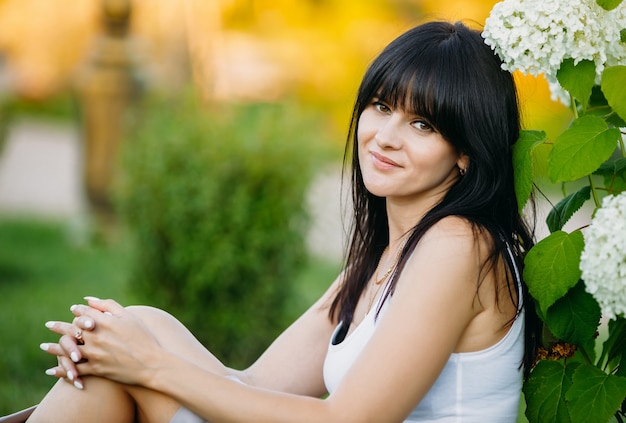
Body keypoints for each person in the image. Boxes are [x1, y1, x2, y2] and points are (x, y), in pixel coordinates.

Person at [30, 20, 539, 423]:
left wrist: (147, 366)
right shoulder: (389, 256)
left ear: (466, 153)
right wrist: (125, 351)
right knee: (134, 325)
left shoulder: (460, 246)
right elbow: (254, 387)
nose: (385, 136)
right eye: (381, 106)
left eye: (422, 124)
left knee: (130, 360)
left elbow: (349, 419)